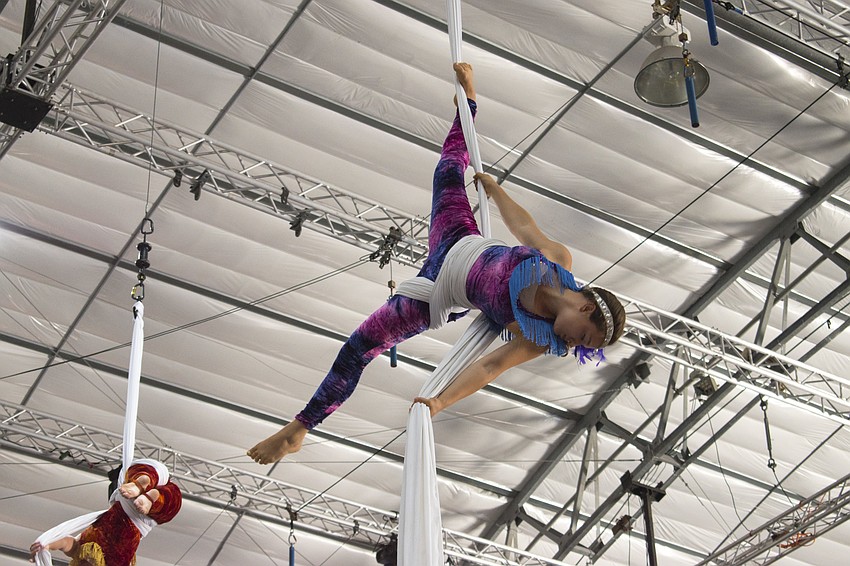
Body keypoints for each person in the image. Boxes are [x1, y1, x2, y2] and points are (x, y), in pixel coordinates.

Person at [247, 62, 626, 465]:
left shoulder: (538, 338)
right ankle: (469, 105)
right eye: (583, 338)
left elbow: (490, 366)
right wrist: (495, 191)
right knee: (447, 170)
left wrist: (439, 401)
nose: (572, 348)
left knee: (361, 346)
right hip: (460, 239)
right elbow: (525, 228)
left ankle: (299, 429)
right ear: (585, 307)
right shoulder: (557, 260)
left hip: (438, 295)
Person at [29, 461, 182, 566]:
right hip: (139, 518)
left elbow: (68, 543)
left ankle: (143, 485)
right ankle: (149, 493)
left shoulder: (80, 557)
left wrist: (47, 545)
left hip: (127, 508)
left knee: (143, 473)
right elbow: (69, 544)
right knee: (171, 500)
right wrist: (47, 546)